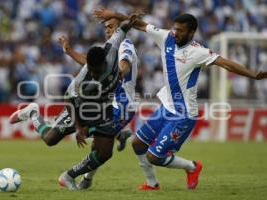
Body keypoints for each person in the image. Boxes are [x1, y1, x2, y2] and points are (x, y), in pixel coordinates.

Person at [94, 8, 267, 191]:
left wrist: (253, 74)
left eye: (180, 30)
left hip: (183, 114)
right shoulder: (167, 37)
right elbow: (139, 23)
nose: (175, 33)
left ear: (191, 32)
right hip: (167, 105)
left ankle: (192, 167)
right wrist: (114, 14)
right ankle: (152, 184)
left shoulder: (198, 52)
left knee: (154, 156)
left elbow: (224, 62)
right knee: (137, 143)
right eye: (175, 29)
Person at [57, 17, 139, 190]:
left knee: (100, 144)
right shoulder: (103, 53)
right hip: (105, 102)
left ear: (117, 29)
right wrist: (69, 50)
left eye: (111, 27)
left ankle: (81, 176)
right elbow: (88, 64)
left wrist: (119, 74)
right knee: (99, 146)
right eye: (105, 27)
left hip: (121, 101)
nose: (107, 30)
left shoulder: (123, 44)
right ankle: (85, 178)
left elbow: (124, 65)